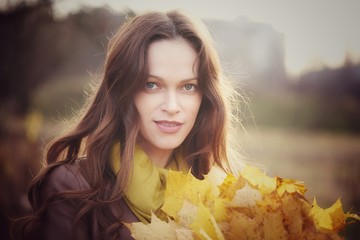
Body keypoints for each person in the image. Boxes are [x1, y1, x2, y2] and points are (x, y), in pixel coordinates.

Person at [18, 10, 241, 240]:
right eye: (152, 84)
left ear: (205, 97)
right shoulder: (71, 187)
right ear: (123, 90)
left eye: (188, 87)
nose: (172, 106)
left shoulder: (221, 199)